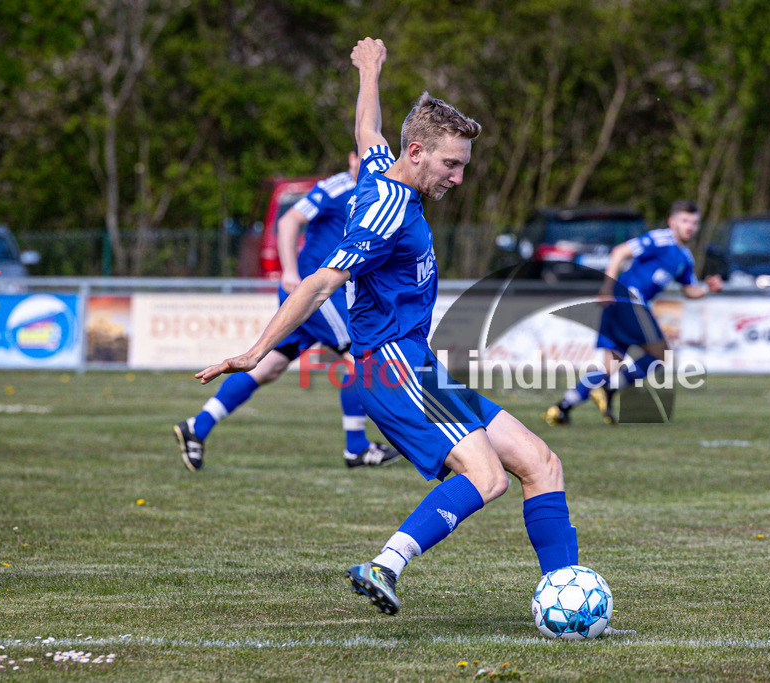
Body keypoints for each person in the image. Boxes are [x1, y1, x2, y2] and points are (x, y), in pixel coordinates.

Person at [196, 37, 579, 616]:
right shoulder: (386, 212)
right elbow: (320, 283)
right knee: (488, 476)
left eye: (463, 166)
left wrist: (369, 70)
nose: (458, 177)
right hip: (392, 366)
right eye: (451, 165)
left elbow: (368, 134)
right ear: (420, 152)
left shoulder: (383, 169)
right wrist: (256, 351)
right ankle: (385, 564)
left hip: (418, 364)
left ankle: (565, 590)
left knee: (540, 462)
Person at [173, 152, 401, 472]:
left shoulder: (378, 191)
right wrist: (290, 271)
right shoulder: (337, 186)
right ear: (352, 156)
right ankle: (357, 448)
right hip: (314, 293)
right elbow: (288, 220)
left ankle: (197, 427)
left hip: (324, 294)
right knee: (359, 355)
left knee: (269, 368)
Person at [543, 200, 723, 425]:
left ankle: (561, 408)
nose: (689, 226)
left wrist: (708, 288)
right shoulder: (660, 239)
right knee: (662, 354)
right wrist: (607, 287)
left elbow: (690, 290)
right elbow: (620, 251)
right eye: (684, 221)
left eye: (694, 222)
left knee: (610, 367)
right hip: (627, 297)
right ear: (672, 222)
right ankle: (609, 389)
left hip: (622, 303)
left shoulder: (685, 257)